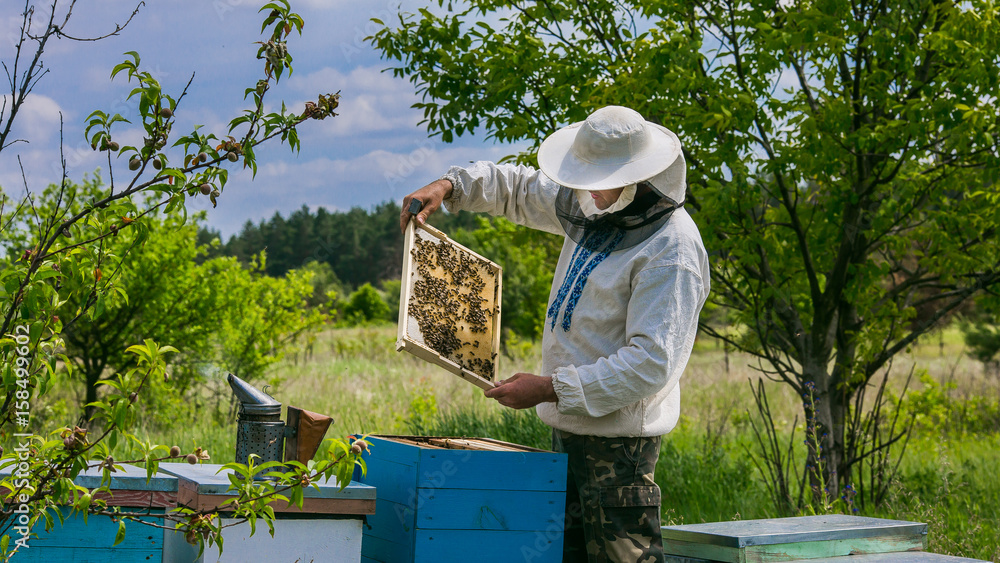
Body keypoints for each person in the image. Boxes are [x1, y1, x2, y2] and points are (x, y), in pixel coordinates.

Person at [400, 106, 710, 563]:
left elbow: (651, 363)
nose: (588, 191)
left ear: (636, 176)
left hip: (620, 450)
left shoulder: (672, 249)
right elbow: (521, 189)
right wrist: (449, 187)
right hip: (566, 433)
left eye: (600, 180)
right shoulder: (593, 204)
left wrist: (548, 387)